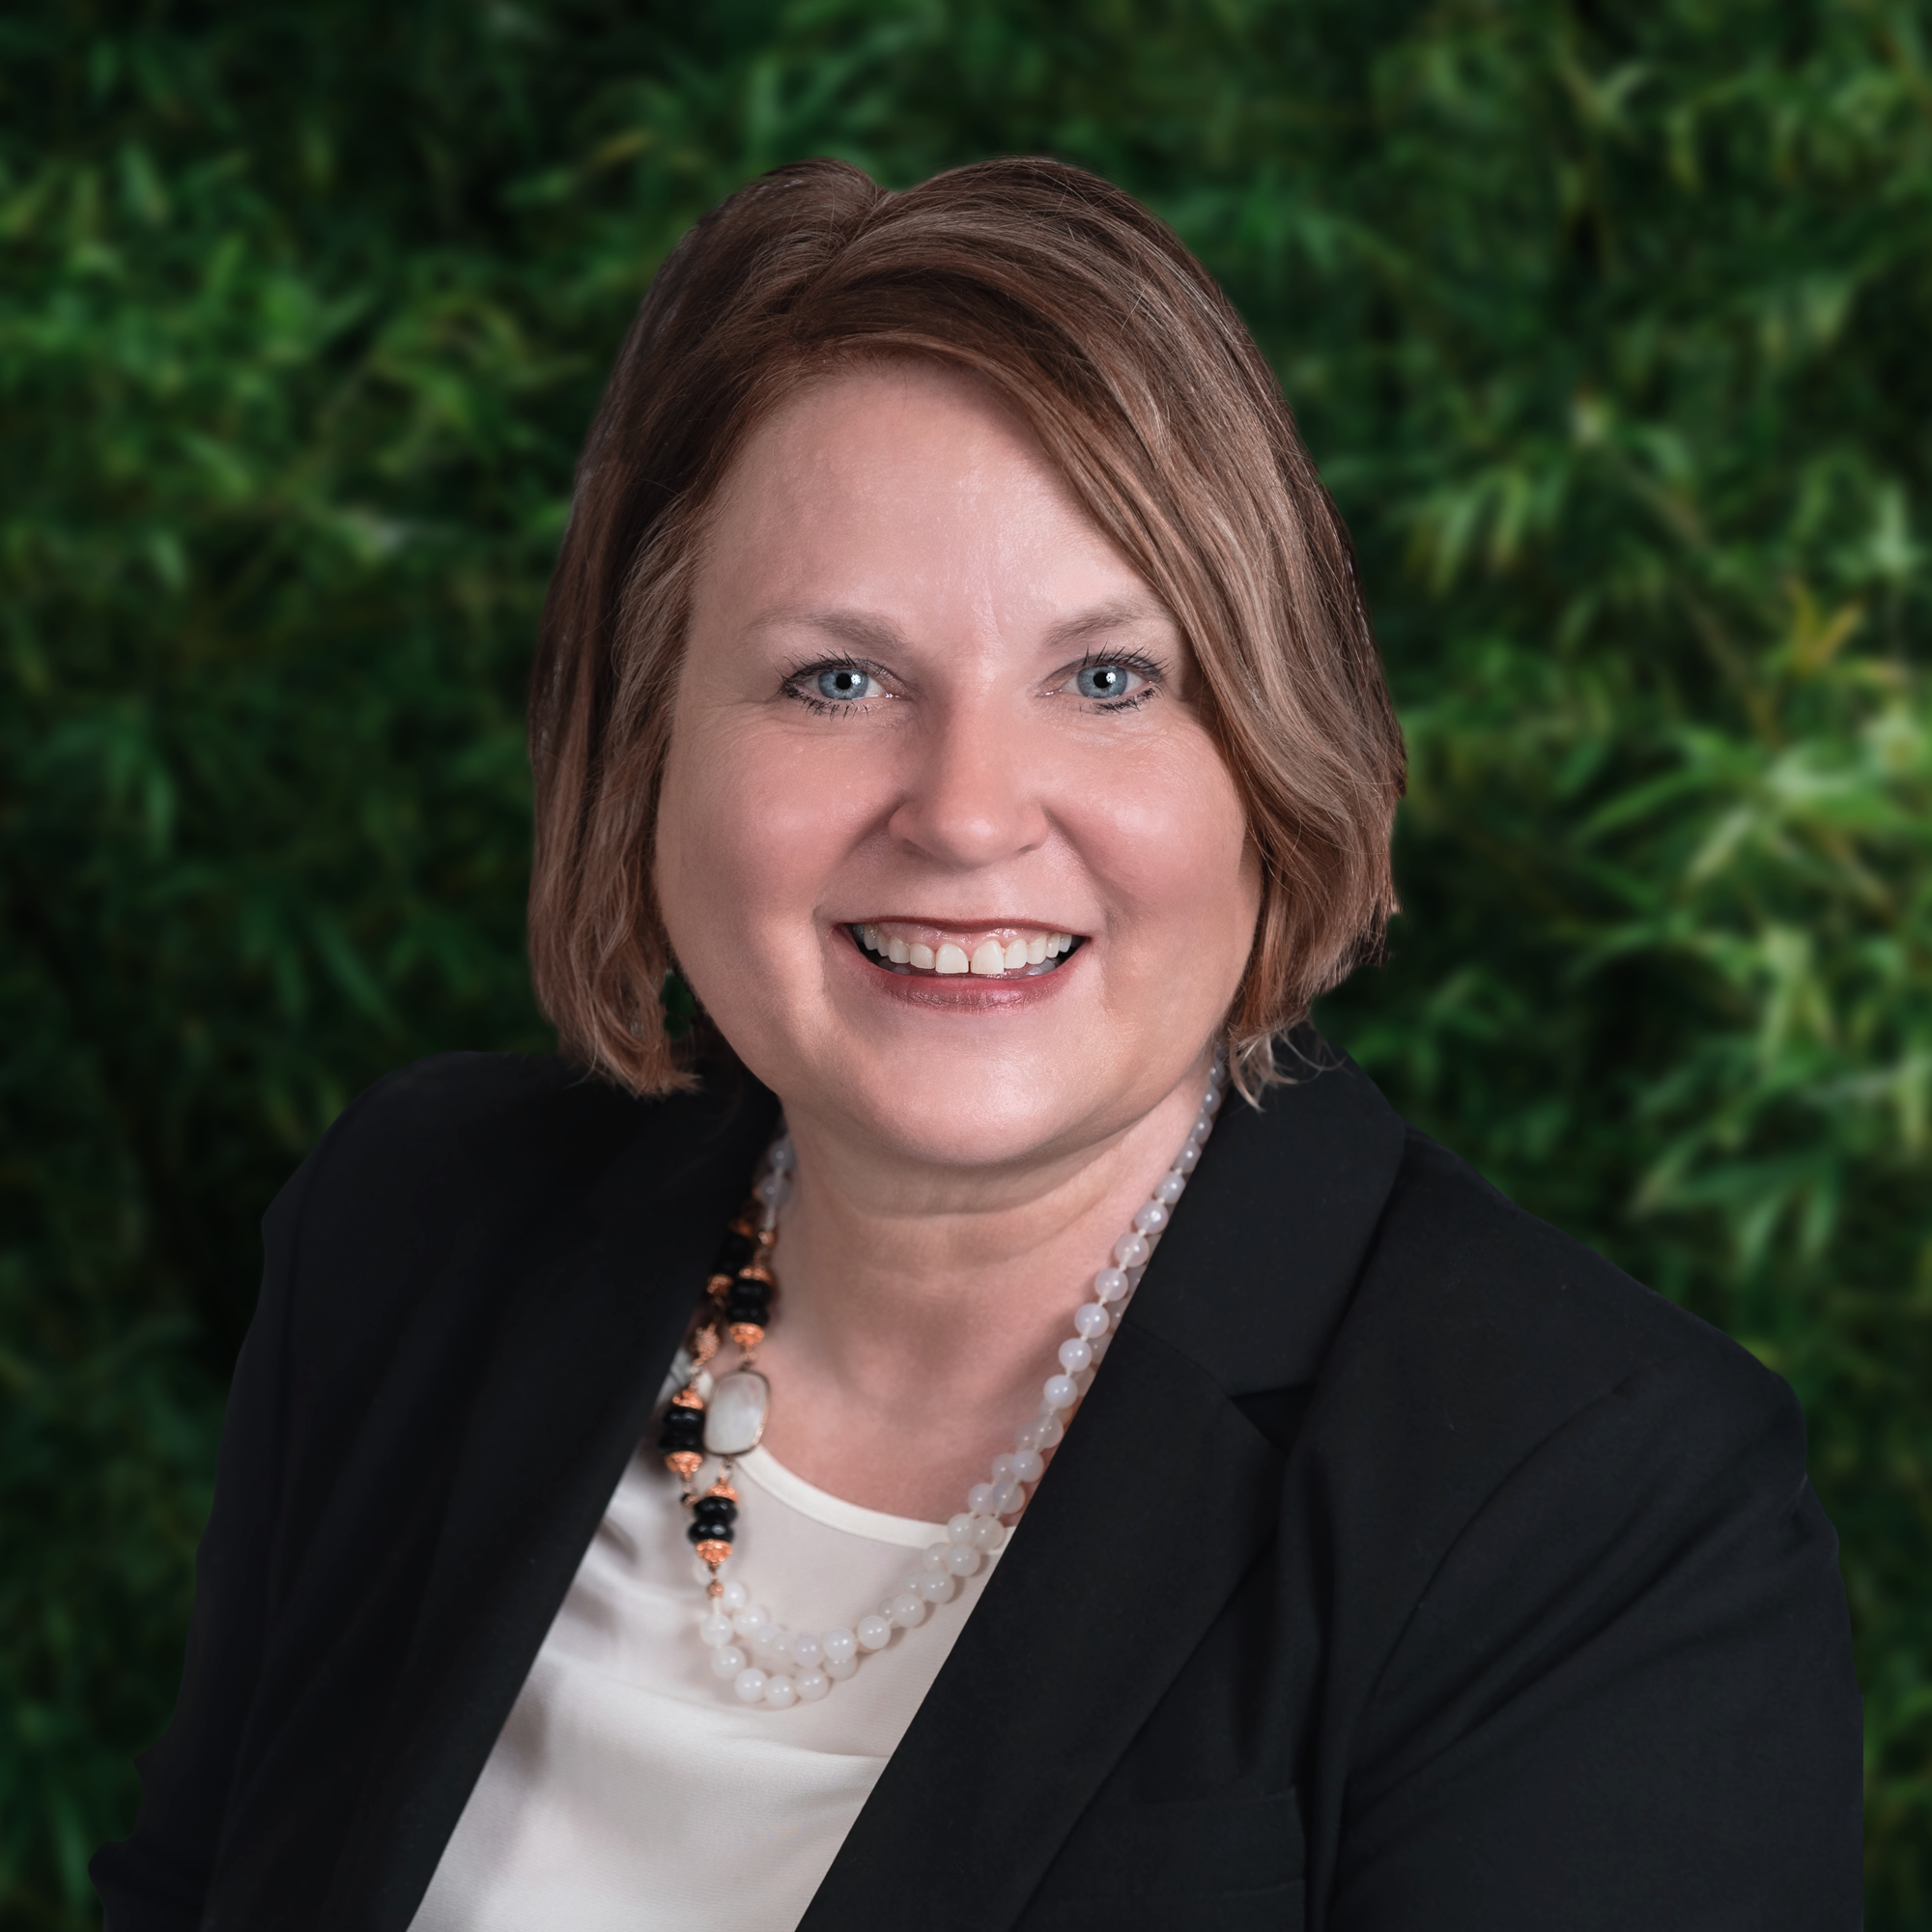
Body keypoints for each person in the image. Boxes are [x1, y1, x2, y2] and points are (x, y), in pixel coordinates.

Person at [92, 157, 1861, 1932]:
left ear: (1273, 750)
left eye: (1106, 680)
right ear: (649, 749)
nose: (965, 814)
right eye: (836, 681)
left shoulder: (1591, 1504)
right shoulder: (412, 1230)